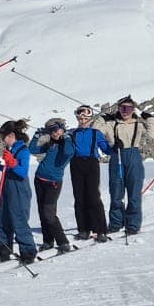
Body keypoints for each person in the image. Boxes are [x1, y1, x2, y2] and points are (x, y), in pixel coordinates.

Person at [0, 119, 38, 265]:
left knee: (19, 220)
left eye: (3, 137)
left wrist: (12, 162)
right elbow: (9, 169)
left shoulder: (23, 150)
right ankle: (4, 250)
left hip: (19, 189)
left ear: (10, 135)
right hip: (7, 187)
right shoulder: (12, 150)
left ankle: (28, 251)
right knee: (2, 219)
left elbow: (22, 172)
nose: (3, 140)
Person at [64, 103, 112, 241]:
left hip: (91, 164)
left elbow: (106, 149)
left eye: (85, 118)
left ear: (90, 119)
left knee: (93, 196)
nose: (83, 120)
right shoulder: (72, 133)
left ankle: (100, 229)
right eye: (80, 118)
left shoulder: (95, 133)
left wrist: (114, 146)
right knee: (79, 198)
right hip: (76, 164)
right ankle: (83, 229)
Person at [30, 118, 76, 254]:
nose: (54, 133)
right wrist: (36, 136)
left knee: (49, 213)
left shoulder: (68, 144)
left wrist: (66, 137)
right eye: (51, 131)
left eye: (57, 129)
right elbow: (33, 149)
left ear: (62, 129)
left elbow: (68, 153)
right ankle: (48, 241)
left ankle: (63, 242)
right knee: (42, 212)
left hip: (53, 183)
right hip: (39, 179)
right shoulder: (51, 144)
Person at [105, 95, 150, 236]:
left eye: (129, 108)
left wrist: (150, 119)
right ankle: (116, 223)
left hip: (133, 156)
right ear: (118, 108)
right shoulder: (113, 123)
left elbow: (151, 135)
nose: (125, 111)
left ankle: (133, 224)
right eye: (123, 108)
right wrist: (102, 119)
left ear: (133, 109)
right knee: (116, 192)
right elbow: (98, 131)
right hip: (117, 155)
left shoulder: (138, 124)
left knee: (134, 193)